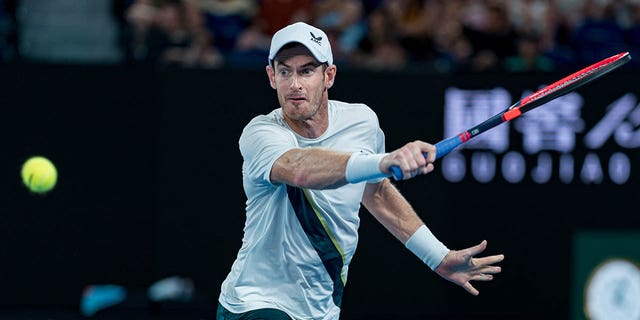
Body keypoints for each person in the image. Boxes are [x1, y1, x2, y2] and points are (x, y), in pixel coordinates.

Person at [217, 21, 504, 320]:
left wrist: (437, 257)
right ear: (271, 77)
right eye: (284, 71)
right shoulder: (261, 132)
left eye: (306, 71)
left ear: (329, 76)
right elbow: (299, 169)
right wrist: (382, 161)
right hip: (255, 302)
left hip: (321, 308)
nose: (294, 84)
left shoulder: (362, 122)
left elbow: (376, 191)